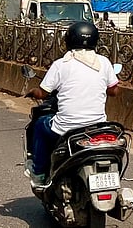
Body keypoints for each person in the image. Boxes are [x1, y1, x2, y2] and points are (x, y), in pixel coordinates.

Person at [26, 21, 120, 186]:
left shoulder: (62, 64)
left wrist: (33, 92)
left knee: (41, 124)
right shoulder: (103, 63)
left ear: (68, 41)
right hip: (97, 127)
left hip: (67, 128)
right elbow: (114, 91)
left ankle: (39, 172)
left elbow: (43, 93)